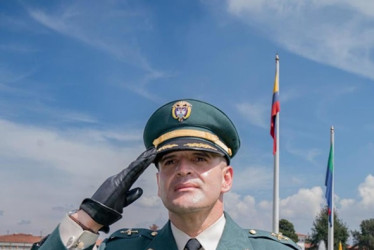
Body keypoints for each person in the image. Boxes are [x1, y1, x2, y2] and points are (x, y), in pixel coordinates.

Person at [32, 99, 300, 250]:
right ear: (159, 183)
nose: (183, 169)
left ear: (226, 178)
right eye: (170, 161)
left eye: (199, 158)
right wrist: (88, 219)